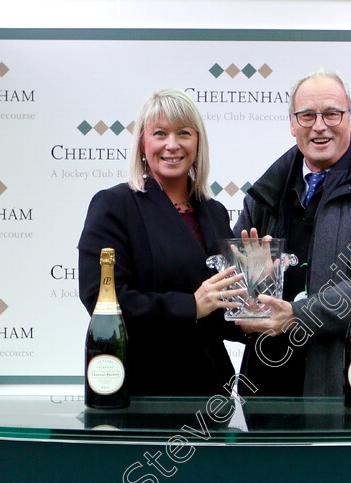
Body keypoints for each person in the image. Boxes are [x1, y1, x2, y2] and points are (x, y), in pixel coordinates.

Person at [235, 68, 351, 397]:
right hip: (270, 382)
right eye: (307, 115)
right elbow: (238, 293)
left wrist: (300, 315)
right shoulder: (266, 192)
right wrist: (254, 284)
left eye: (331, 113)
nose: (319, 126)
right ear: (292, 123)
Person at [78, 88, 244, 396]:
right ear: (143, 143)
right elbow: (102, 300)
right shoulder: (114, 206)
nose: (172, 145)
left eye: (183, 133)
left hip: (209, 392)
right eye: (160, 133)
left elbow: (220, 312)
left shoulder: (214, 211)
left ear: (197, 142)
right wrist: (190, 305)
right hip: (144, 390)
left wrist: (257, 297)